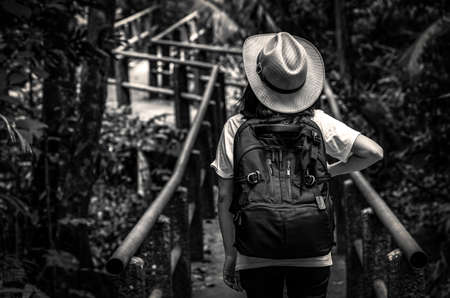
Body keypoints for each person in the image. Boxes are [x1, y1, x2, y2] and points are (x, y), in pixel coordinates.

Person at [210, 32, 383, 298]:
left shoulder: (235, 127)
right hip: (312, 247)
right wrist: (328, 171)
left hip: (255, 248)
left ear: (256, 82)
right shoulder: (319, 122)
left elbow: (224, 197)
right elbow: (373, 152)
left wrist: (231, 256)